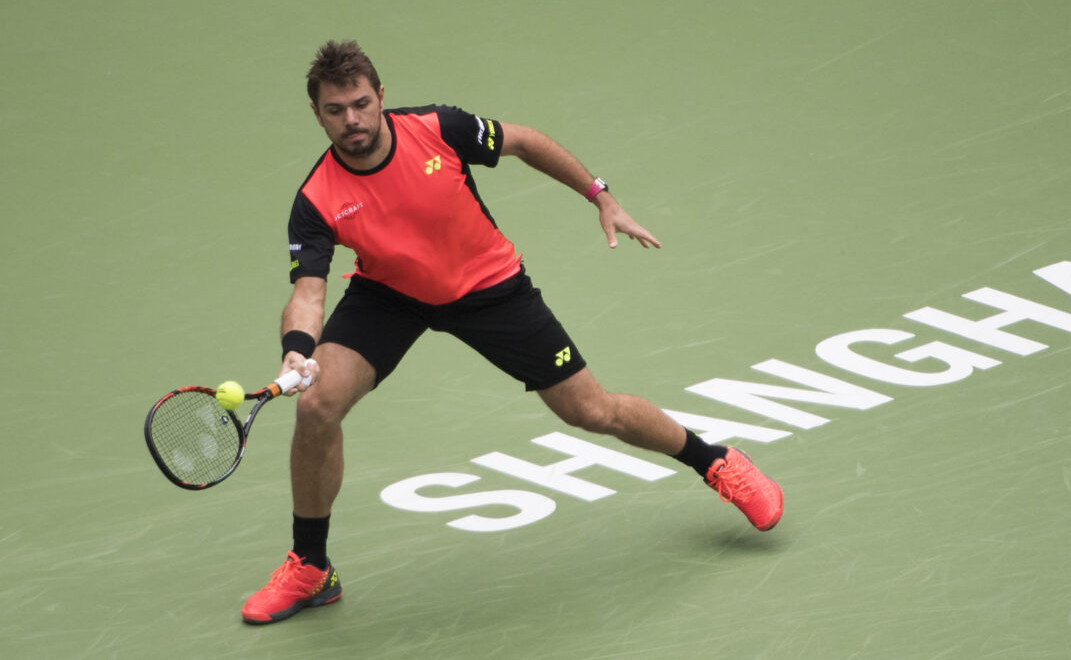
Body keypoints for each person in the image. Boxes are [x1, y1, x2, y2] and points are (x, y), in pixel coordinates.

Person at [240, 40, 783, 625]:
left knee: (591, 410)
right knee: (317, 405)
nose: (352, 120)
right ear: (317, 114)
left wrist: (600, 196)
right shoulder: (316, 199)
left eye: (361, 103)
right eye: (335, 110)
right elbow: (309, 292)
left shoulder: (438, 129)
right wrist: (297, 353)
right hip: (390, 296)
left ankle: (715, 460)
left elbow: (522, 141)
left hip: (489, 287)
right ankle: (311, 566)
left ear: (381, 98)